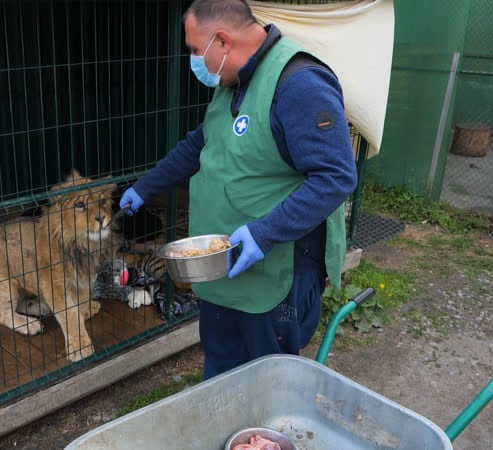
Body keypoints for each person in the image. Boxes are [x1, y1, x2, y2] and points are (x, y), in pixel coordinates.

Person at [119, 0, 358, 380]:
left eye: (196, 50)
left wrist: (264, 234)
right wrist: (147, 187)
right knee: (222, 366)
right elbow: (202, 143)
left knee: (266, 377)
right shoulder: (233, 81)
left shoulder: (299, 83)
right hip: (223, 265)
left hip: (275, 269)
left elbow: (336, 177)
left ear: (223, 41)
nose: (195, 60)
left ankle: (262, 437)